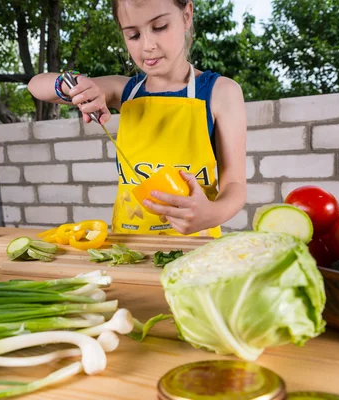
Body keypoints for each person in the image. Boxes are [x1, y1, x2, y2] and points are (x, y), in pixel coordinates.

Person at [27, 0, 247, 238]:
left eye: (160, 26)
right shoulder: (124, 91)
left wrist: (212, 214)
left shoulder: (221, 92)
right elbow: (36, 85)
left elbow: (234, 186)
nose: (147, 46)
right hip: (130, 247)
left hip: (196, 249)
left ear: (186, 15)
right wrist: (71, 85)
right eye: (133, 35)